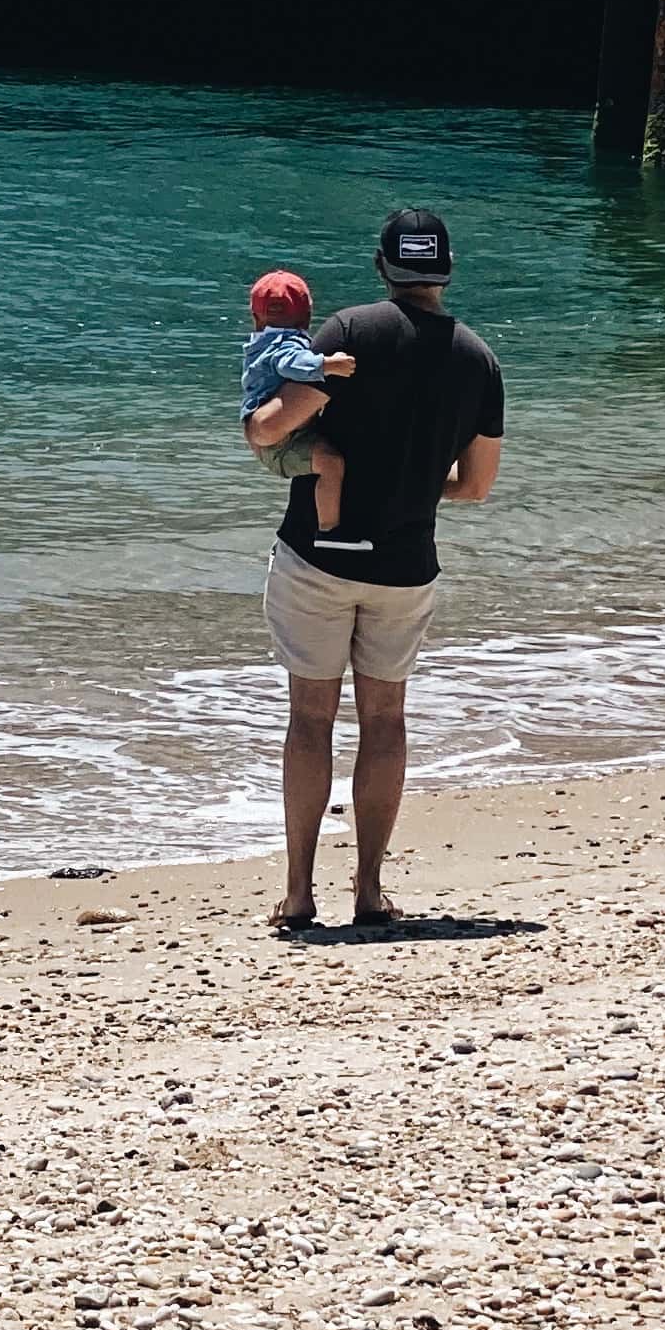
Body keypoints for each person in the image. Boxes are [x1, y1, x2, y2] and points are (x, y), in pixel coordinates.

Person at [243, 205, 503, 936]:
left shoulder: (348, 333)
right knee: (386, 719)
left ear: (384, 266)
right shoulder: (479, 360)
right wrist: (420, 490)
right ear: (445, 268)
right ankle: (369, 890)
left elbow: (273, 427)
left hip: (316, 558)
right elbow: (477, 487)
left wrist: (251, 423)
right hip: (404, 563)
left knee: (310, 718)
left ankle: (298, 894)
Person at [239, 268, 355, 539]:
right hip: (280, 443)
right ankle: (330, 531)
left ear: (255, 318)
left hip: (272, 435)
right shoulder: (285, 342)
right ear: (307, 316)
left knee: (330, 459)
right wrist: (326, 364)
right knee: (331, 463)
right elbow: (290, 362)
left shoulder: (260, 342)